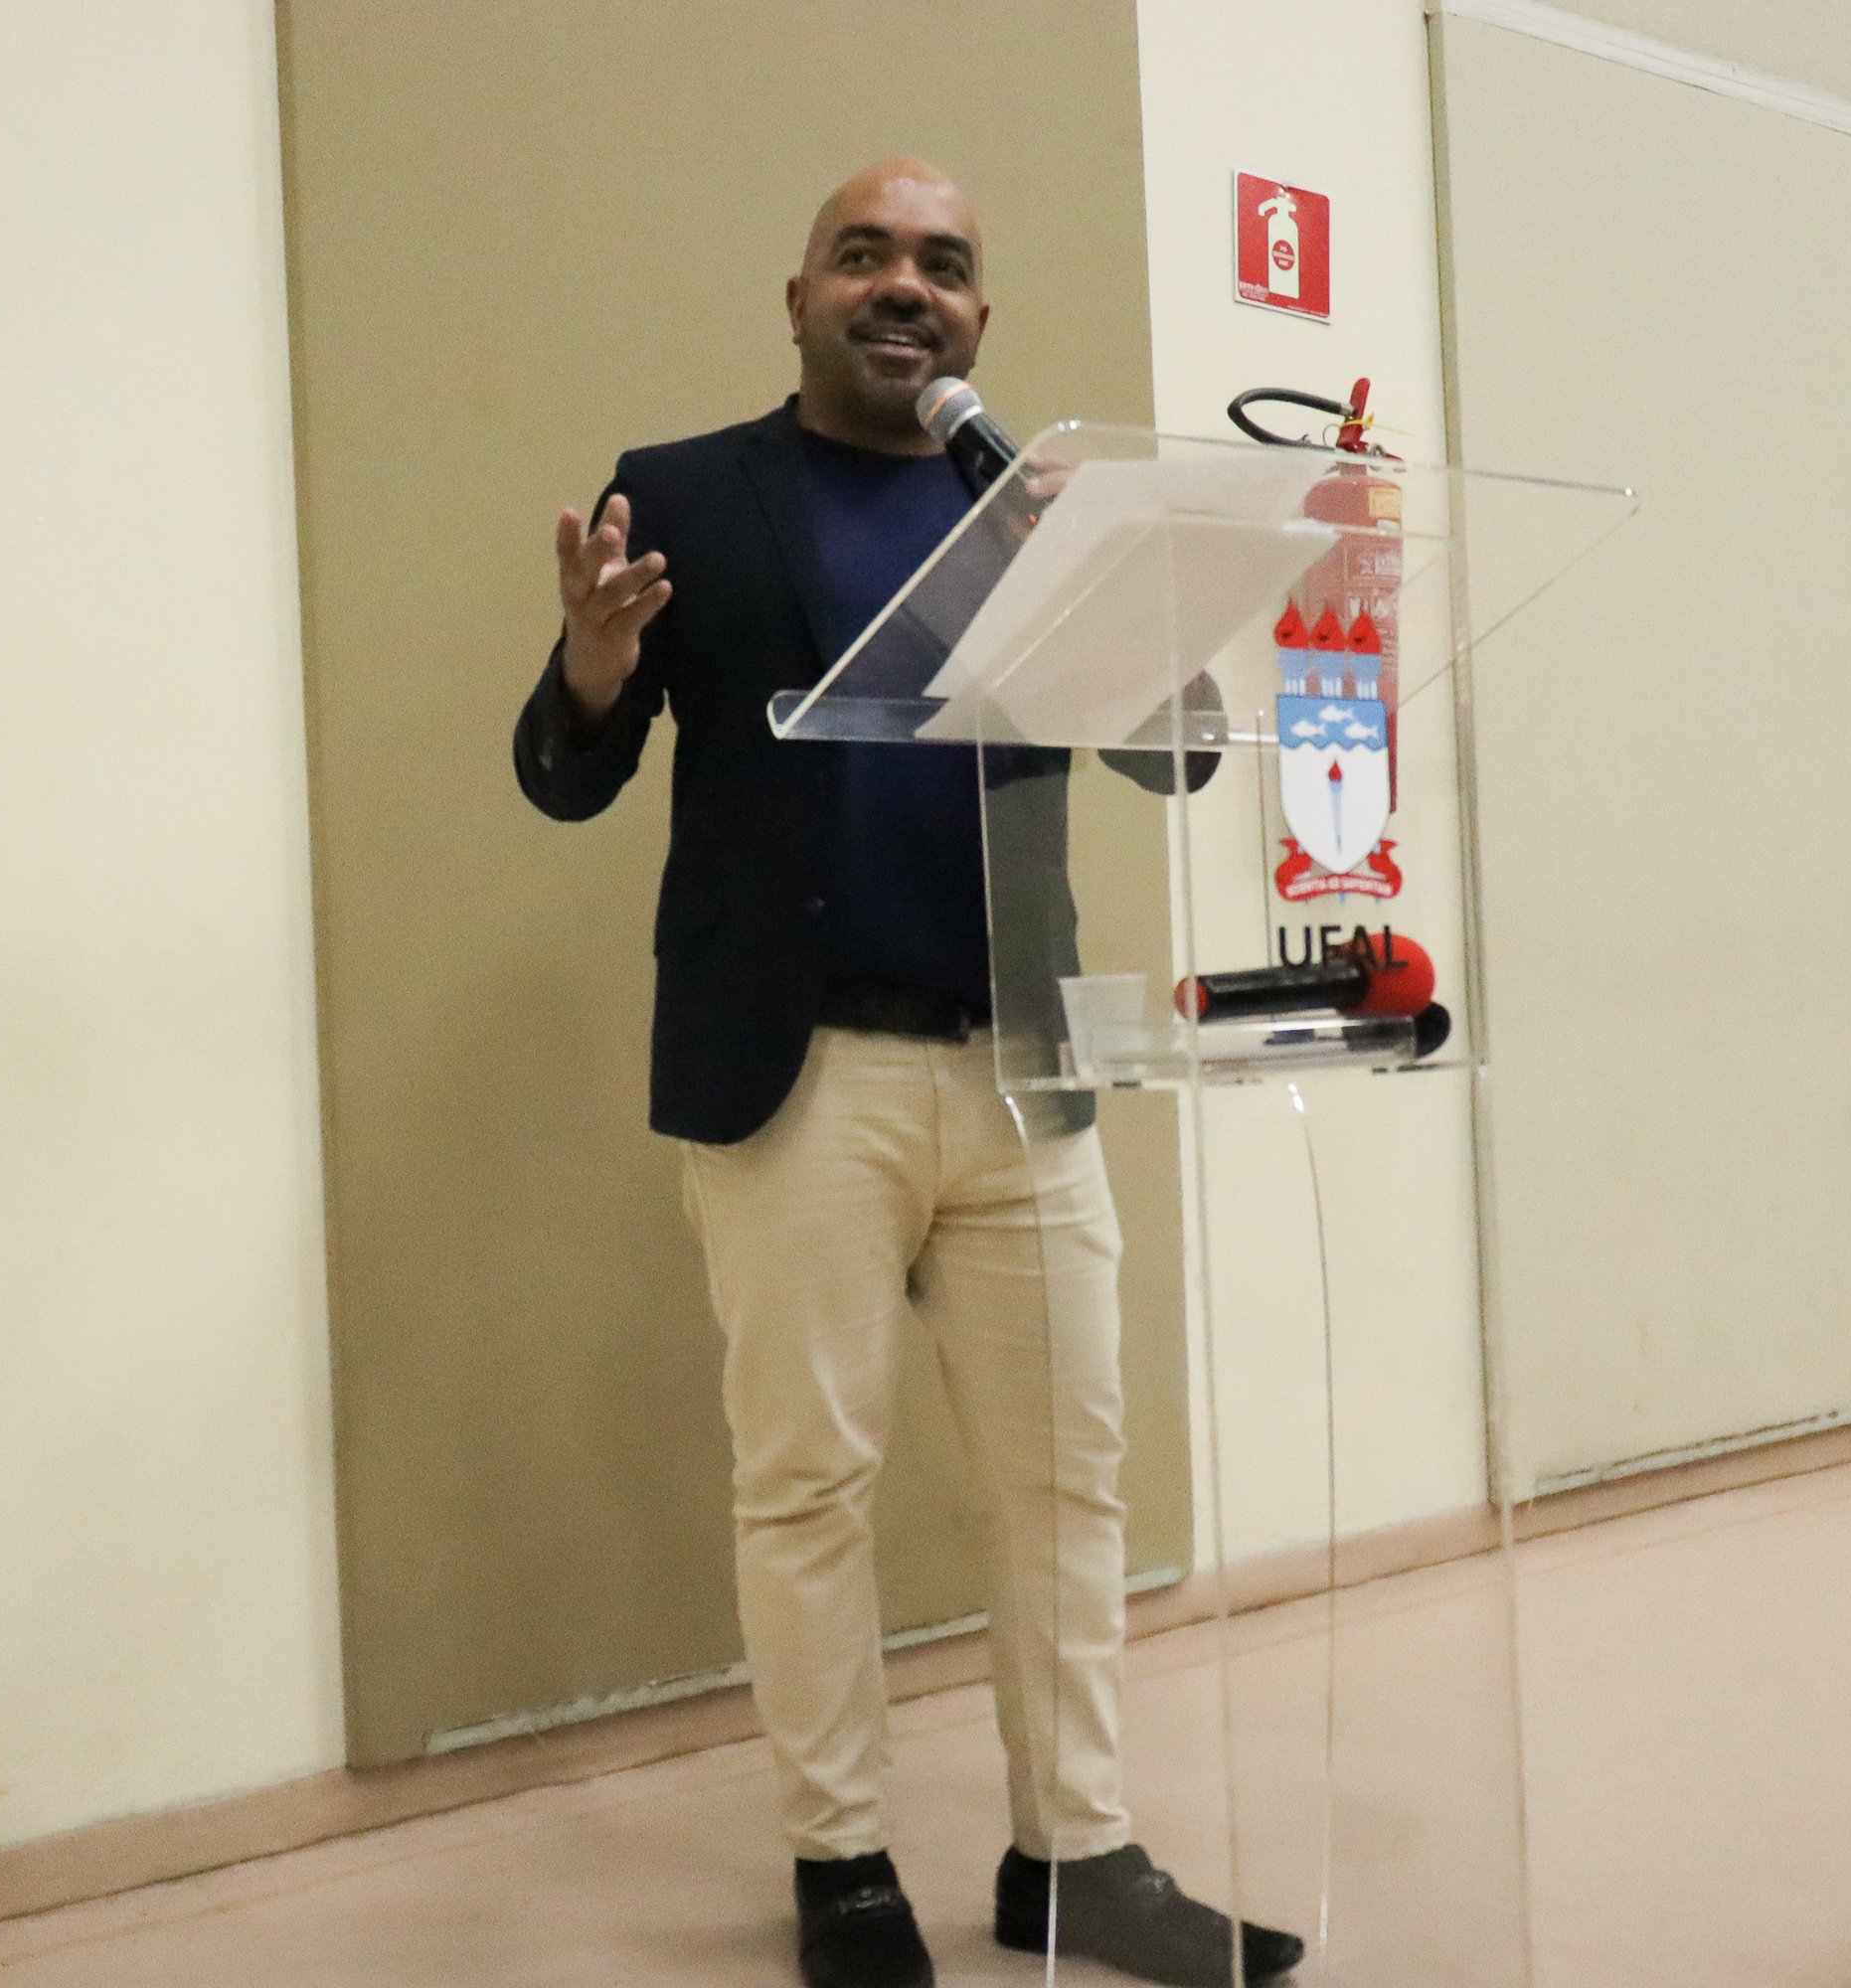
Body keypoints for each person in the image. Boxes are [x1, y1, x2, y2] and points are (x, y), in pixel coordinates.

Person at [510, 161, 1301, 1988]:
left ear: (980, 319)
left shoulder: (1033, 510)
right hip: (800, 1079)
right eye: (861, 255)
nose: (903, 286)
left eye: (942, 265)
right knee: (808, 1487)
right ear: (797, 297)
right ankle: (843, 1867)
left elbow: (1178, 760)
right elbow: (565, 775)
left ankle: (1077, 1860)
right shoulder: (688, 493)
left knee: (1070, 1485)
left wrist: (1118, 587)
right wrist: (592, 669)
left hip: (1022, 1067)